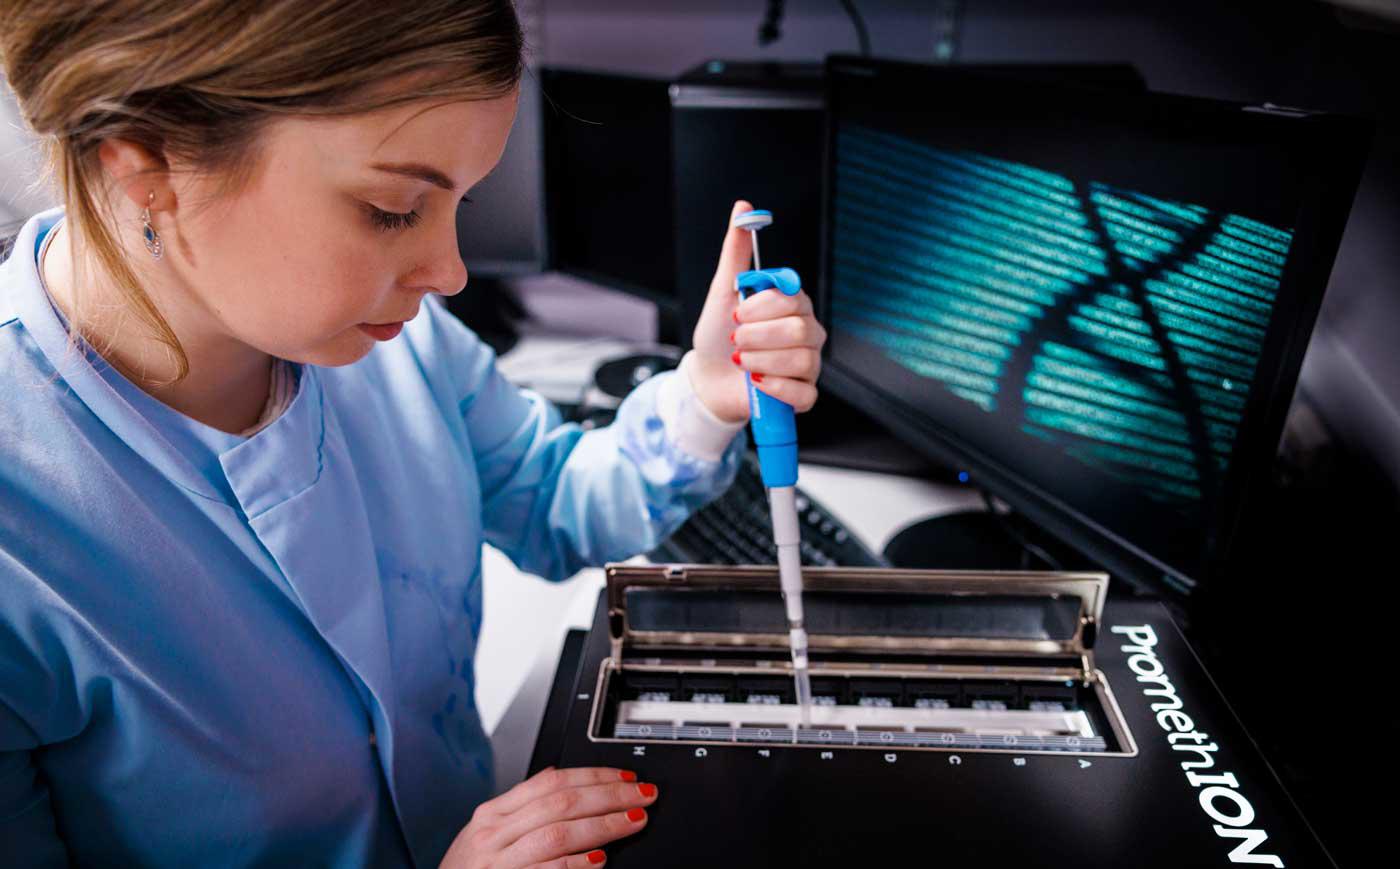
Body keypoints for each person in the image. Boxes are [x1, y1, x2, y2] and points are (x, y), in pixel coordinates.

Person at [0, 2, 827, 866]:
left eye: (462, 202)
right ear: (148, 162)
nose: (451, 272)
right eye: (393, 209)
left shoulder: (404, 347)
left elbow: (556, 500)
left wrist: (706, 393)